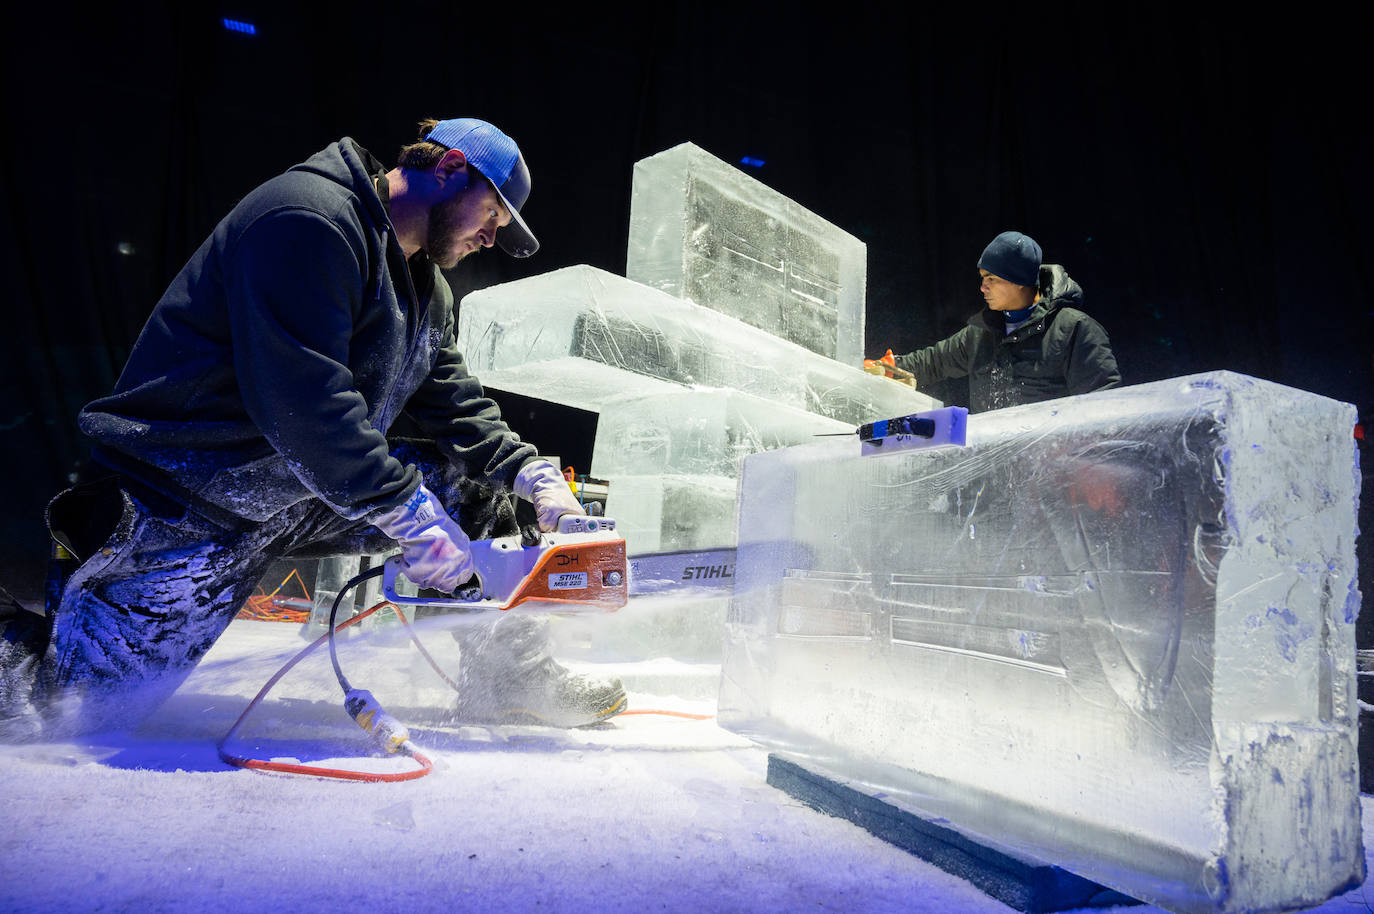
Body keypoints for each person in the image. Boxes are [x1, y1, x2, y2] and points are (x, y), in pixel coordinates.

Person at [0, 117, 625, 738]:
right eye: (493, 212)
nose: (493, 237)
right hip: (188, 500)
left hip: (294, 493)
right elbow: (303, 402)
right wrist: (402, 508)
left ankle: (509, 681)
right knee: (62, 715)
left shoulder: (424, 289)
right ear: (450, 168)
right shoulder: (309, 221)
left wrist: (529, 472)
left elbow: (453, 401)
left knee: (479, 493)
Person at [875, 231, 1121, 412]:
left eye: (991, 278)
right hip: (994, 470)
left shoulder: (1075, 330)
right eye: (983, 277)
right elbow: (932, 362)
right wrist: (887, 368)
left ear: (1020, 280)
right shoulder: (980, 334)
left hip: (1054, 470)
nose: (982, 287)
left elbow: (1102, 407)